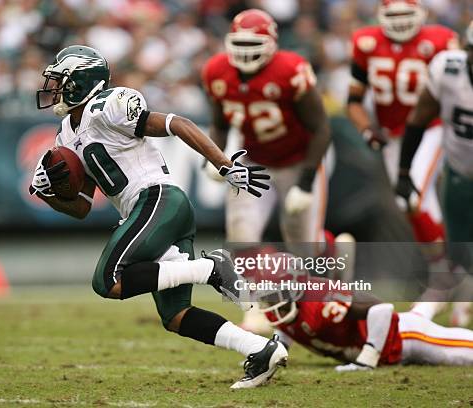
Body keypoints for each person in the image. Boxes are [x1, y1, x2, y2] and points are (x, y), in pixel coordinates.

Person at [29, 45, 287, 389]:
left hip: (158, 200)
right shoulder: (66, 133)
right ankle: (261, 349)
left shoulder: (109, 105)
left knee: (107, 281)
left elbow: (176, 123)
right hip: (150, 211)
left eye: (61, 80)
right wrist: (48, 193)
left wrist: (223, 165)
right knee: (176, 316)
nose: (55, 88)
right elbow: (81, 207)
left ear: (82, 81)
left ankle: (209, 268)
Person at [201, 9, 337, 333]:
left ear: (272, 44)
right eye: (241, 43)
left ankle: (331, 254)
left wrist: (305, 183)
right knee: (242, 235)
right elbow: (220, 125)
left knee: (304, 245)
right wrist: (213, 158)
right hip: (254, 162)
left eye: (254, 43)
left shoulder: (291, 70)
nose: (246, 51)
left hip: (299, 160)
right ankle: (261, 307)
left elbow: (321, 129)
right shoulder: (217, 71)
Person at [347, 0, 460, 323]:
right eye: (392, 15)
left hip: (432, 128)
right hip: (393, 135)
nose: (399, 22)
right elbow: (353, 100)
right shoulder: (366, 43)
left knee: (415, 196)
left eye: (405, 15)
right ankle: (450, 272)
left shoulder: (440, 40)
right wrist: (367, 129)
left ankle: (442, 278)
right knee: (409, 202)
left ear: (421, 15)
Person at [251, 253, 473, 368]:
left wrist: (367, 358)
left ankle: (443, 291)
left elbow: (383, 309)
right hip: (395, 336)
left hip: (404, 337)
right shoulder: (280, 309)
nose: (269, 297)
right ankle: (433, 300)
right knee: (415, 317)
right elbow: (289, 328)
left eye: (274, 290)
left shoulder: (322, 303)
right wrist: (272, 355)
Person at [397, 22, 473, 328]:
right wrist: (404, 170)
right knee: (460, 252)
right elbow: (418, 119)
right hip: (459, 171)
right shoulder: (446, 69)